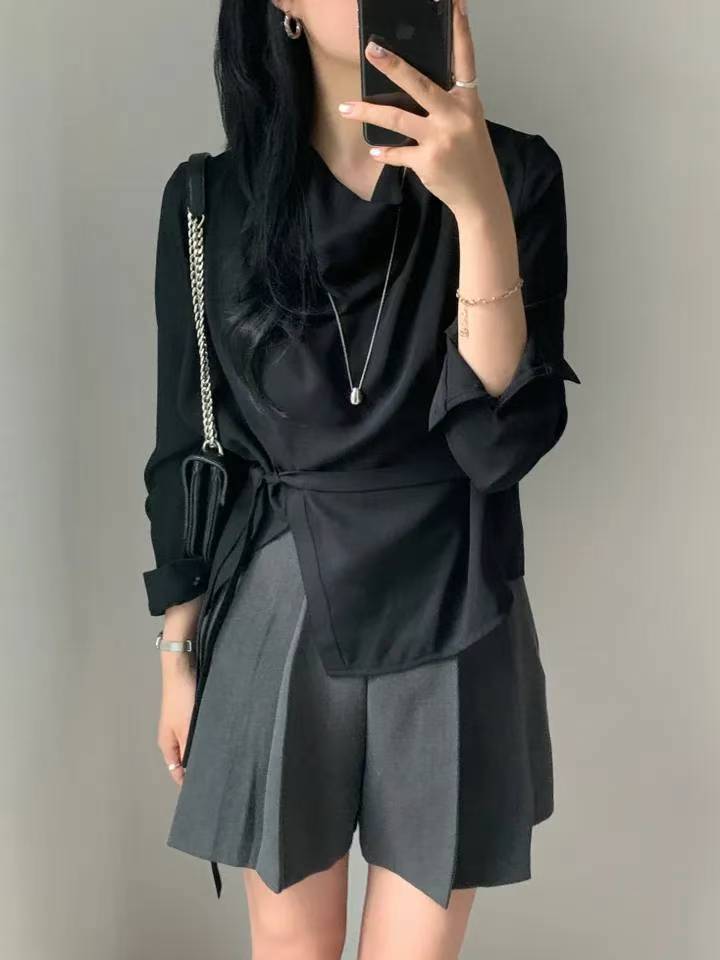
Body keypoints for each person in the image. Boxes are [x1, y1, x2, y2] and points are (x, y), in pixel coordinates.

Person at [142, 0, 581, 956]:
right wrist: (177, 654)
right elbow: (188, 445)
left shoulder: (516, 174)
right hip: (279, 593)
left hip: (457, 590)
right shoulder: (210, 200)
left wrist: (477, 204)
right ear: (285, 7)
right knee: (291, 949)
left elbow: (497, 444)